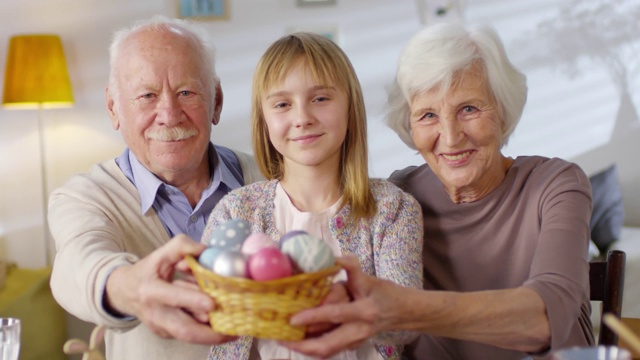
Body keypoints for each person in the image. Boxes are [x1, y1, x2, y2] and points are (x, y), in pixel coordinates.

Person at [281, 22, 594, 360]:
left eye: (469, 109)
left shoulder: (556, 185)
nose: (450, 136)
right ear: (409, 125)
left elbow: (543, 320)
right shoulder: (397, 200)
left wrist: (407, 309)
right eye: (428, 115)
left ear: (502, 110)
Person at [48, 16, 262, 360]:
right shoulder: (86, 197)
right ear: (113, 108)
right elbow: (78, 263)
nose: (169, 114)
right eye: (146, 96)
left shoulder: (272, 177)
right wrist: (130, 287)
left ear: (216, 100)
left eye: (186, 93)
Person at [200, 32, 424, 359]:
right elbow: (210, 315)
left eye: (320, 98)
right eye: (282, 104)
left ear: (350, 106)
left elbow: (405, 324)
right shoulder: (236, 212)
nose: (302, 118)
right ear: (264, 119)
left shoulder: (392, 209)